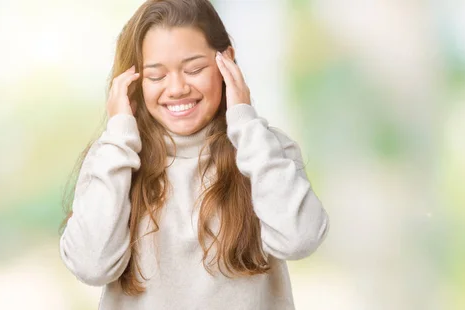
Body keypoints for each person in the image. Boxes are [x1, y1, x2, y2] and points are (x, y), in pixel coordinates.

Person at [58, 0, 329, 309]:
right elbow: (91, 266)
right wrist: (120, 135)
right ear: (132, 82)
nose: (177, 88)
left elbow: (300, 239)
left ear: (226, 61)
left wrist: (244, 121)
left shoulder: (265, 149)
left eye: (194, 69)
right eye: (156, 76)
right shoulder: (112, 159)